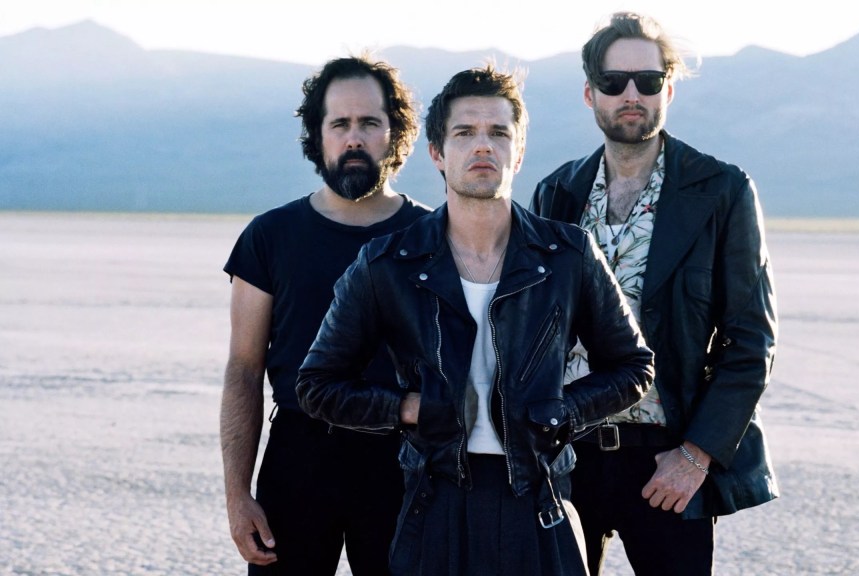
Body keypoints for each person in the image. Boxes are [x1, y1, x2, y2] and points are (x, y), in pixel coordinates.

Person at [296, 65, 655, 576]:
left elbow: (634, 367)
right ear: (438, 153)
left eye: (498, 133)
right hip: (434, 497)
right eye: (464, 133)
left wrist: (561, 411)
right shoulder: (387, 264)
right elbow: (317, 384)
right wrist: (409, 408)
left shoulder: (568, 255)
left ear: (520, 150)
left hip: (539, 496)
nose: (482, 146)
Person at [531, 12, 780, 576]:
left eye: (647, 80)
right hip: (568, 455)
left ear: (668, 87)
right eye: (615, 82)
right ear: (590, 92)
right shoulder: (557, 193)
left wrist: (696, 456)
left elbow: (751, 339)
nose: (631, 94)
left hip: (667, 460)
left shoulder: (720, 190)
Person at [220, 55, 430, 575]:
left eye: (369, 123)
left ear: (394, 132)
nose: (354, 137)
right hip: (298, 458)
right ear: (319, 135)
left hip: (404, 461)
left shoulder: (433, 238)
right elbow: (244, 370)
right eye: (339, 124)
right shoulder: (270, 237)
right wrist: (236, 495)